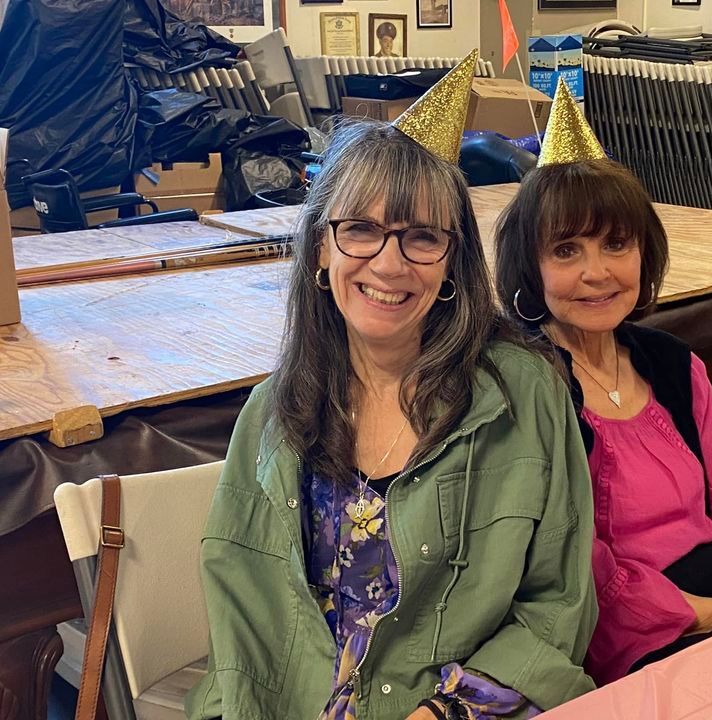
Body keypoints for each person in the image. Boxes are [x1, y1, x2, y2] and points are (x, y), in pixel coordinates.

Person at [186, 53, 597, 720]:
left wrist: (446, 712)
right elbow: (239, 623)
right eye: (362, 230)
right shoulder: (273, 414)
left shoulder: (523, 396)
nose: (389, 263)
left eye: (421, 237)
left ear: (452, 263)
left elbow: (559, 604)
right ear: (322, 248)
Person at [494, 79, 712, 688]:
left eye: (616, 244)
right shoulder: (530, 387)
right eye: (566, 250)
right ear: (531, 266)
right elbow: (582, 567)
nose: (597, 273)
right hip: (619, 633)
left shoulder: (674, 364)